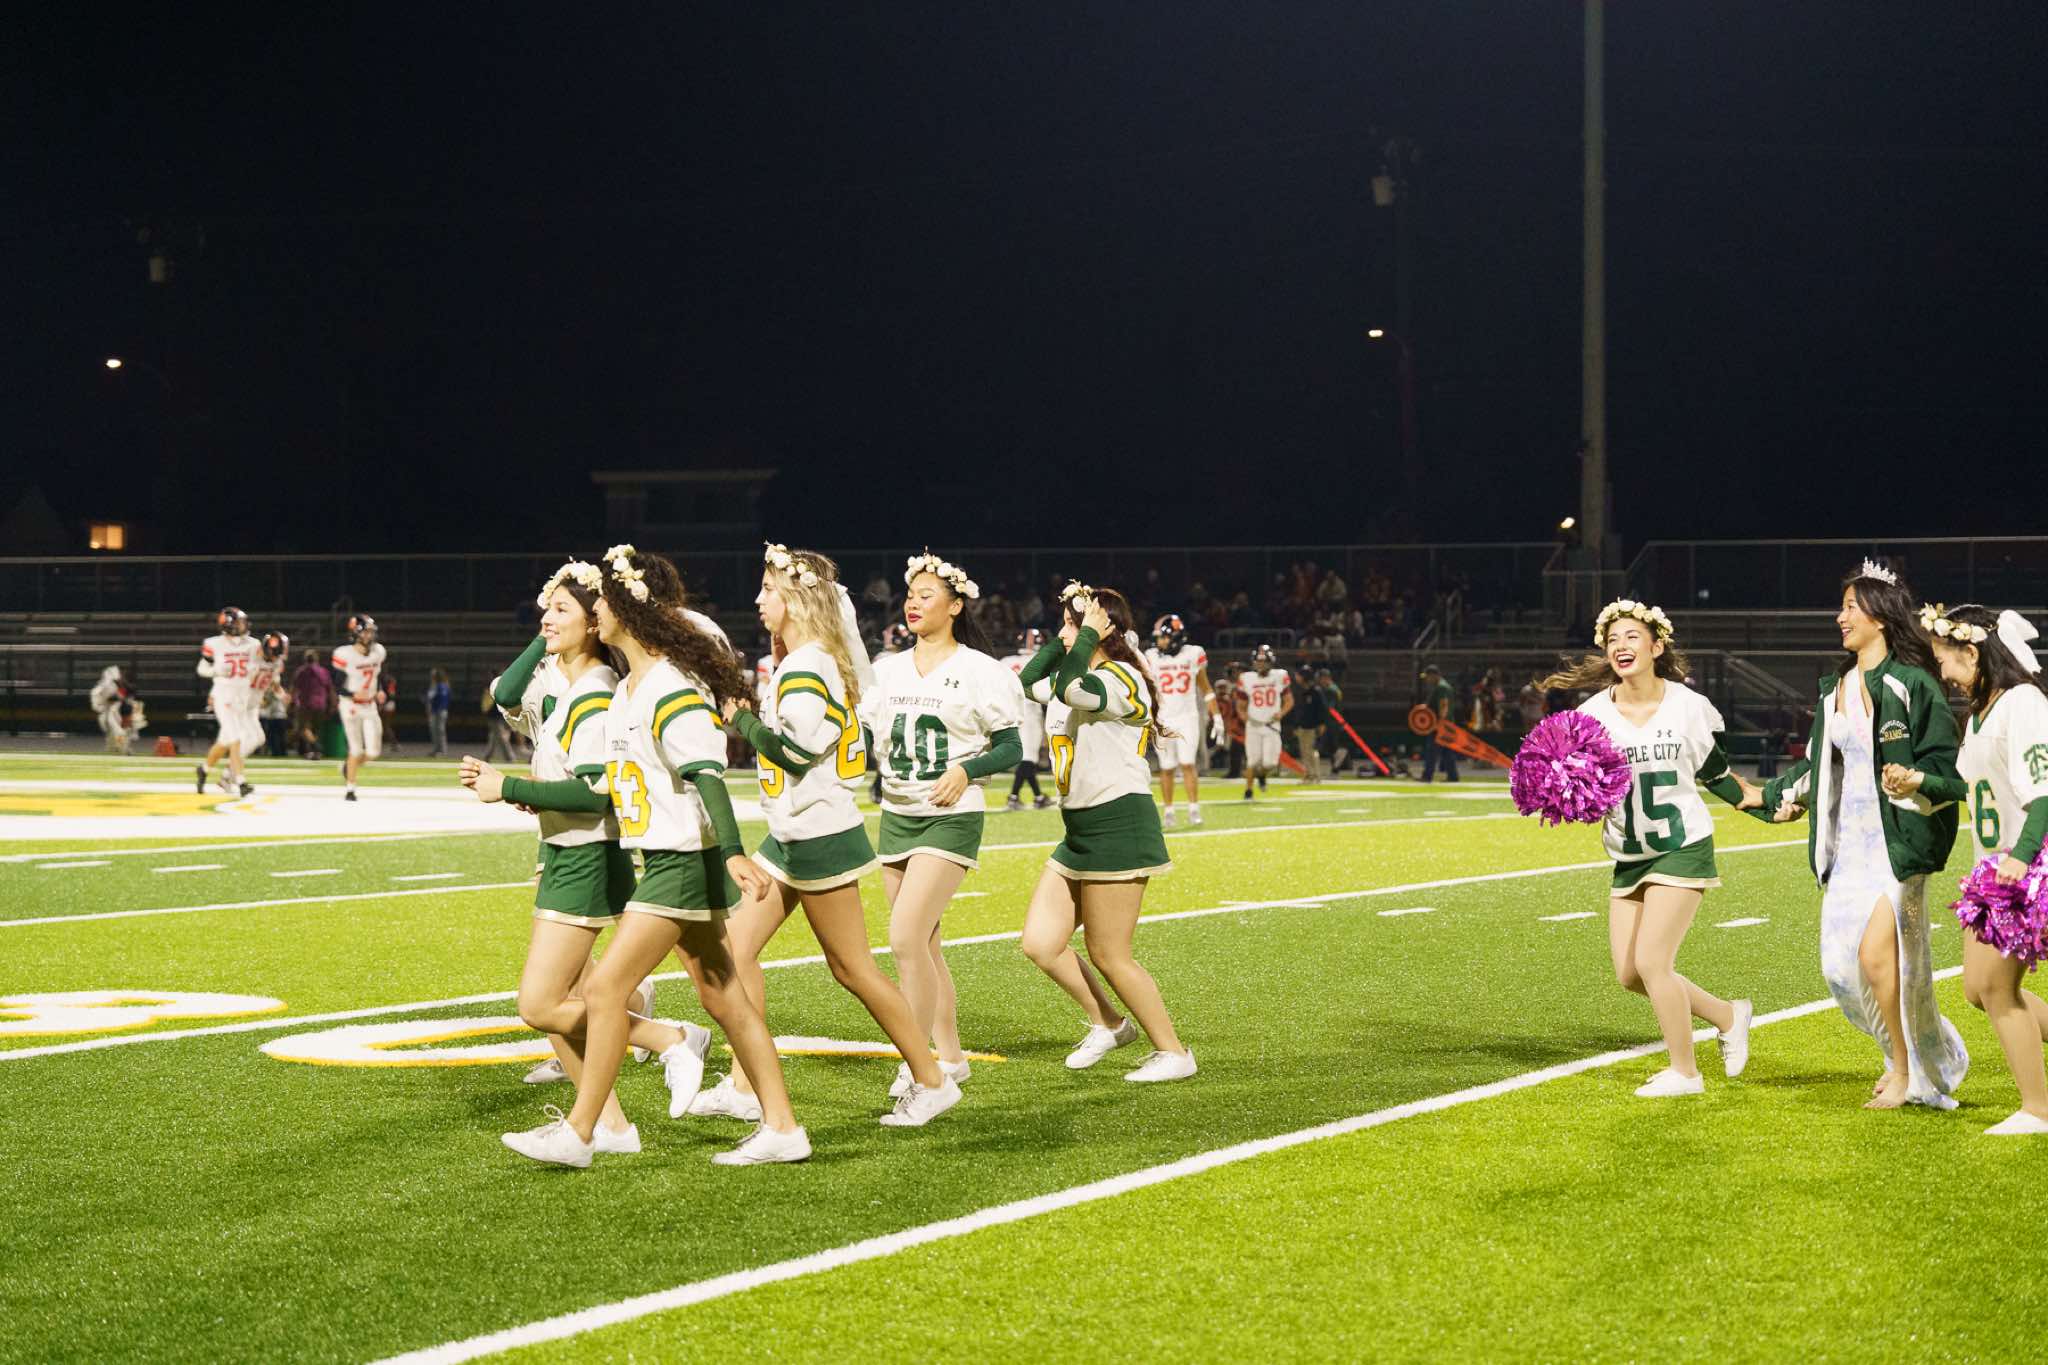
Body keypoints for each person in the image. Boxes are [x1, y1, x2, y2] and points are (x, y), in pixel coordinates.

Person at [479, 545, 808, 1167]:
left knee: (606, 988)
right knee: (724, 996)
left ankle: (584, 1133)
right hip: (663, 857)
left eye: (603, 601)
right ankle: (782, 1126)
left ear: (630, 608)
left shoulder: (665, 684)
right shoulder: (629, 687)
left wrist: (734, 853)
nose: (596, 611)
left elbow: (706, 773)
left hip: (679, 858)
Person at [712, 543, 962, 1127]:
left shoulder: (808, 665)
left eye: (769, 589)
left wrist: (740, 717)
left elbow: (797, 752)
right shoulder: (812, 657)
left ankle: (932, 1080)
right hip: (792, 832)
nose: (758, 599)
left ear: (796, 599)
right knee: (734, 949)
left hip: (818, 833)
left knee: (853, 970)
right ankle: (745, 1086)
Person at [461, 560, 678, 1157]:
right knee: (565, 996)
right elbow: (507, 695)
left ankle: (668, 1038)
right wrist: (525, 789)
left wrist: (507, 787)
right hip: (566, 847)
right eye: (546, 608)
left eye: (561, 609)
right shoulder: (572, 684)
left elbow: (594, 793)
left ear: (593, 621)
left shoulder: (592, 693)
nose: (545, 617)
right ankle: (609, 1126)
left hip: (585, 852)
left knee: (541, 1004)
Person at [1760, 563, 1969, 1111]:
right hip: (1846, 848)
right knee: (1841, 971)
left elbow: (1948, 774)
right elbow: (1820, 767)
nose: (1840, 617)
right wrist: (1771, 798)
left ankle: (1906, 1071)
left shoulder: (1913, 683)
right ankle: (1917, 1052)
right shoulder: (1835, 689)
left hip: (1897, 844)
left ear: (1880, 615)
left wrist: (1914, 780)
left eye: (1850, 606)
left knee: (1880, 960)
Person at [1542, 600, 1762, 1097]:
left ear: (1657, 646)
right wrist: (1565, 796)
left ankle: (1685, 1072)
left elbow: (1715, 773)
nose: (1621, 646)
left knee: (1653, 963)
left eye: (1632, 637)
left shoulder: (1688, 705)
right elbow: (1582, 787)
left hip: (1682, 845)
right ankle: (1729, 1015)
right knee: (1629, 974)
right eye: (1612, 639)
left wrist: (1761, 804)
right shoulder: (1589, 715)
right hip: (1628, 852)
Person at [862, 551, 1023, 1100]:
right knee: (925, 946)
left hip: (950, 816)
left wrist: (966, 770)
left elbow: (1011, 746)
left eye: (926, 595)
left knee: (905, 938)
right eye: (910, 595)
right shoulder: (886, 669)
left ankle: (917, 1066)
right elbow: (864, 736)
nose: (913, 603)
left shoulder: (981, 670)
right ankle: (951, 1058)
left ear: (955, 606)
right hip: (897, 814)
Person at [1017, 583, 1193, 1081]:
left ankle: (1174, 1053)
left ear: (1102, 629)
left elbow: (1072, 690)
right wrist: (1071, 636)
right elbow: (1028, 681)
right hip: (1079, 829)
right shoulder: (1074, 673)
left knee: (1110, 954)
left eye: (1072, 625)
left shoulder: (1121, 676)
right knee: (1041, 943)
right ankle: (1110, 1024)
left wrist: (1088, 633)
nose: (1063, 634)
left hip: (1118, 823)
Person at [1887, 603, 2048, 1135]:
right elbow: (1967, 787)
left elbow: (2044, 792)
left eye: (1946, 660)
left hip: (2026, 863)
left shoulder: (2024, 703)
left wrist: (2023, 856)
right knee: (1977, 989)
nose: (1945, 673)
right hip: (1992, 867)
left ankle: (2038, 1110)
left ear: (1973, 653)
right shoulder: (1982, 712)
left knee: (2000, 990)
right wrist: (1920, 782)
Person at [1144, 614, 1217, 826]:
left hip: (1187, 717)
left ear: (1175, 637)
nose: (1159, 642)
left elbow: (1206, 688)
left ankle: (1194, 809)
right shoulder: (1151, 656)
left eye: (1163, 637)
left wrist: (1217, 715)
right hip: (1162, 719)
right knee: (1166, 767)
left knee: (1187, 763)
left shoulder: (1193, 654)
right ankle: (1168, 811)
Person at [195, 607, 263, 799]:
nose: (244, 625)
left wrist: (253, 671)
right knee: (236, 738)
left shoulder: (253, 644)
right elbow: (201, 668)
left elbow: (256, 667)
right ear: (229, 625)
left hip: (242, 697)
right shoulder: (214, 643)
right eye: (240, 622)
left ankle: (204, 769)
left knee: (224, 741)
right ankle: (240, 781)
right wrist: (216, 671)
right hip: (223, 696)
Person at [332, 614, 387, 802]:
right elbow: (337, 686)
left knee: (373, 752)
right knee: (355, 750)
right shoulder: (344, 654)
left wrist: (380, 690)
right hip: (350, 705)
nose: (369, 635)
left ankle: (348, 767)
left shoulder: (378, 651)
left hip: (370, 705)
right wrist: (354, 694)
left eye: (371, 632)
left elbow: (377, 676)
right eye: (366, 632)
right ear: (355, 633)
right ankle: (350, 789)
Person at [1002, 628, 1054, 810]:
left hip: (1009, 712)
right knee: (1029, 757)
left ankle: (1038, 797)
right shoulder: (1039, 660)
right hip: (1030, 711)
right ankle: (1014, 797)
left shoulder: (1006, 661)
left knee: (1027, 758)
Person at [1237, 644, 1292, 799]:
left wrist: (1281, 713)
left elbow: (1289, 700)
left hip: (1271, 725)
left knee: (1270, 763)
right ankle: (1248, 791)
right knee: (1252, 761)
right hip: (1254, 724)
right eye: (1258, 661)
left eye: (1263, 661)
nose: (1260, 664)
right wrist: (1243, 716)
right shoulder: (1246, 678)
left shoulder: (1279, 676)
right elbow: (1240, 704)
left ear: (1270, 661)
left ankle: (1262, 775)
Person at [289, 647, 334, 760]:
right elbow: (330, 689)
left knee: (302, 728)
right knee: (314, 729)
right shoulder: (324, 671)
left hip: (305, 703)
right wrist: (333, 704)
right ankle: (313, 753)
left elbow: (294, 688)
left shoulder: (301, 671)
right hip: (321, 704)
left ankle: (316, 746)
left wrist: (291, 702)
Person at [1420, 663, 1459, 783]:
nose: (1426, 680)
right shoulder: (1443, 686)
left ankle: (1427, 776)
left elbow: (1443, 705)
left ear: (1434, 675)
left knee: (1431, 750)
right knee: (1447, 752)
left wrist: (1440, 723)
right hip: (1447, 724)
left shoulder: (1442, 687)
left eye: (1428, 676)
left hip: (1440, 725)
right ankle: (1453, 776)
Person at [253, 632, 290, 759]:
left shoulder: (277, 663)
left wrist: (282, 695)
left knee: (261, 735)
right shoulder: (253, 659)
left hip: (262, 698)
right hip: (247, 697)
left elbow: (274, 683)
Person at [1291, 666, 1330, 784]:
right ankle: (1309, 775)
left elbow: (1322, 709)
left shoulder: (1315, 691)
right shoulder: (1302, 691)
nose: (1297, 677)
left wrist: (1322, 724)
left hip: (1312, 727)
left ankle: (1314, 776)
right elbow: (1299, 711)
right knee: (1304, 752)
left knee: (1310, 751)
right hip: (1302, 727)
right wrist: (1296, 725)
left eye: (1299, 675)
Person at [89, 666, 139, 755]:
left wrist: (119, 697)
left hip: (114, 710)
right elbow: (99, 704)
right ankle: (116, 748)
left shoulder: (118, 687)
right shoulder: (100, 689)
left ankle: (123, 748)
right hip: (106, 710)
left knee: (118, 730)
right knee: (111, 732)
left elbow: (127, 693)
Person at [424, 668, 453, 757]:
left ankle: (443, 751)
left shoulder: (442, 686)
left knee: (440, 731)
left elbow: (432, 698)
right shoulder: (438, 686)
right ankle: (437, 749)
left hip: (440, 711)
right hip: (437, 711)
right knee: (435, 731)